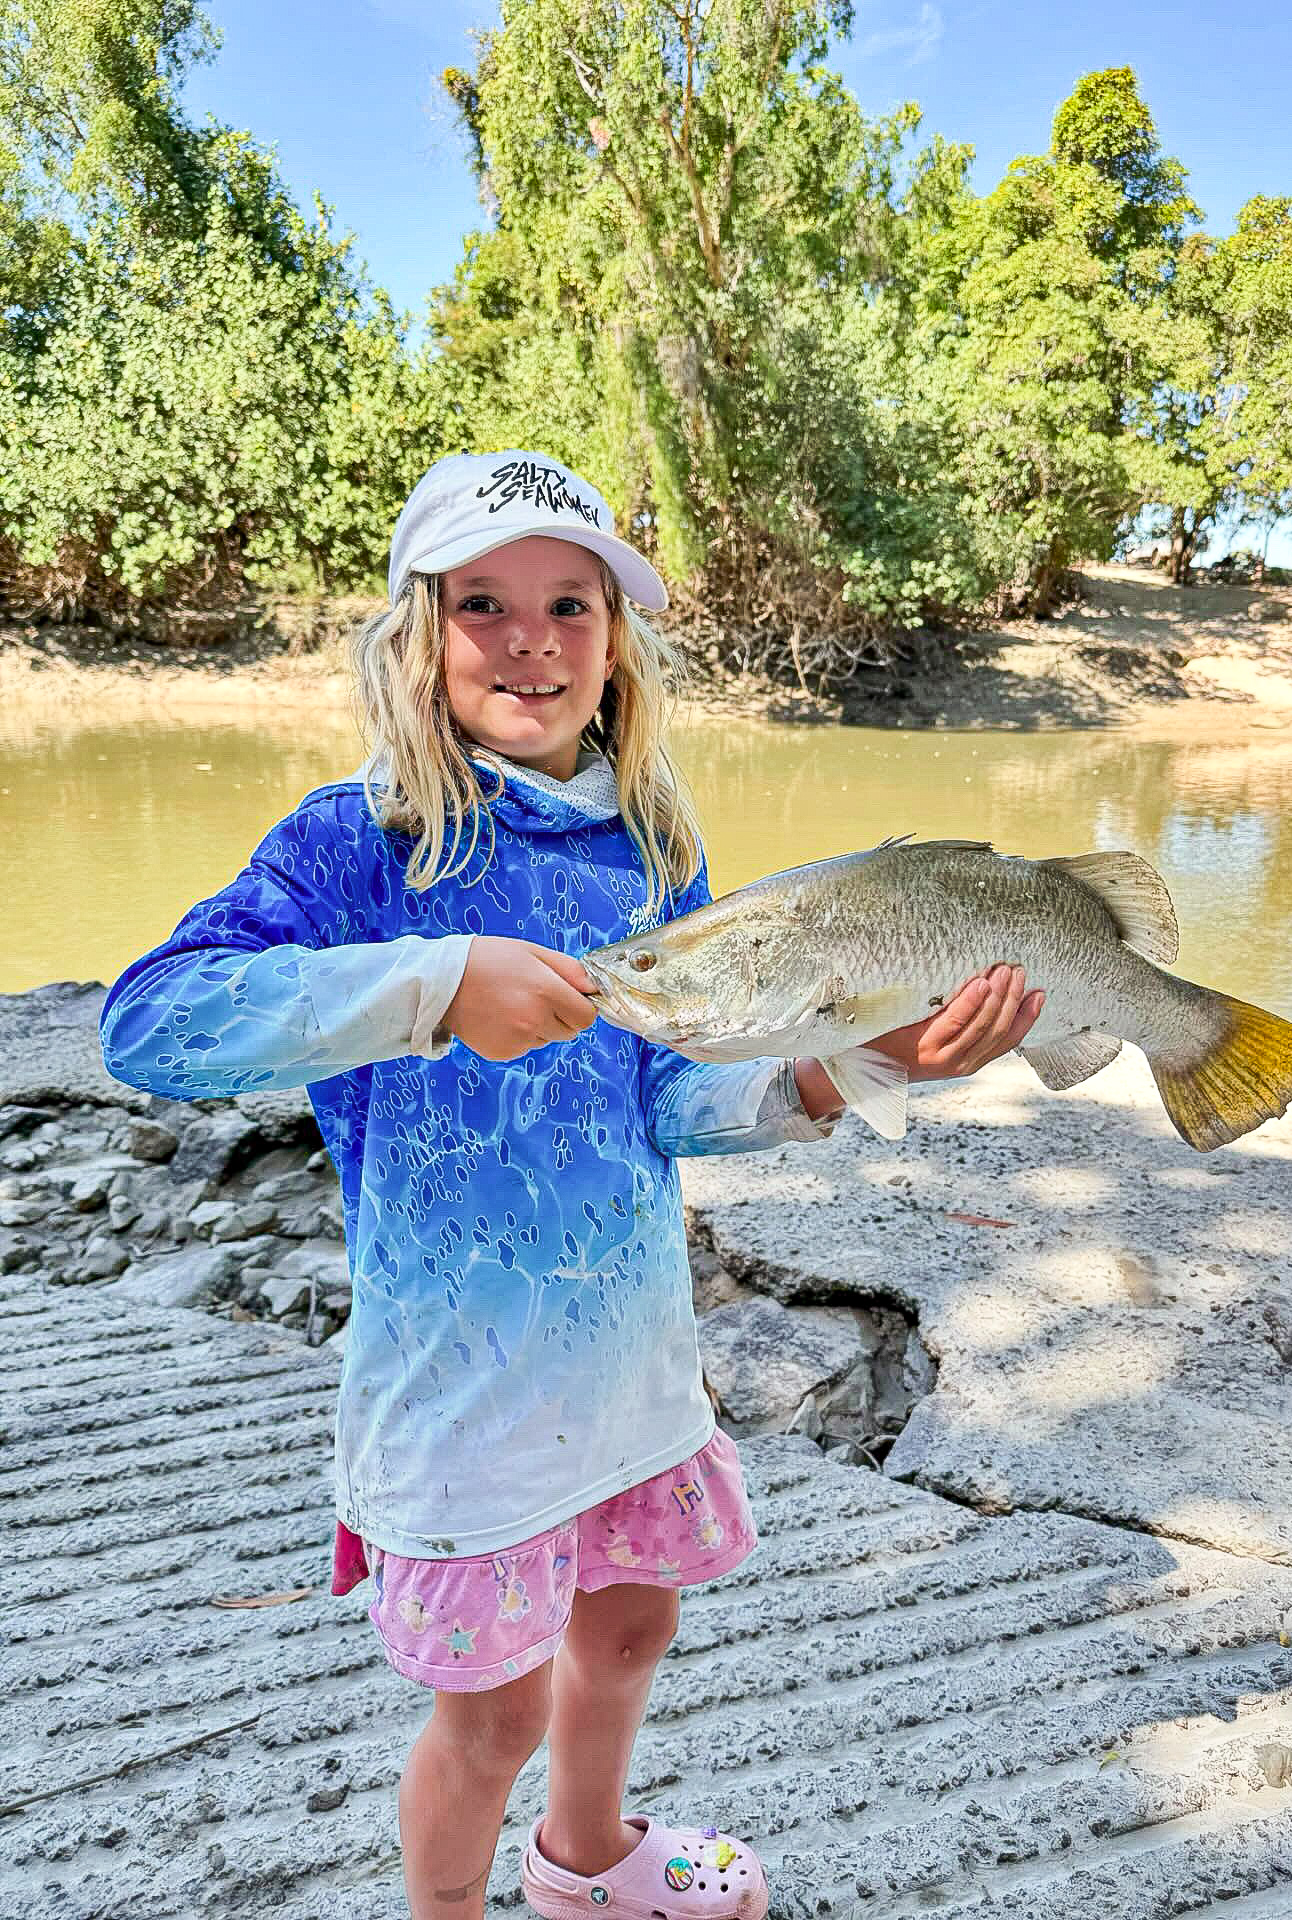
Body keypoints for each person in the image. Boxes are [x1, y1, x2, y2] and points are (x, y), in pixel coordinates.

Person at [100, 451, 1043, 1920]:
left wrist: (857, 1065)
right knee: (490, 1719)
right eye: (483, 603)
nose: (529, 639)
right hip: (459, 1399)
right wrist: (429, 982)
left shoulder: (654, 847)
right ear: (419, 634)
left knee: (629, 1628)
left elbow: (669, 1098)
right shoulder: (360, 847)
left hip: (630, 1365)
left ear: (615, 643)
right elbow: (153, 1023)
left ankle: (588, 1863)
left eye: (569, 604)